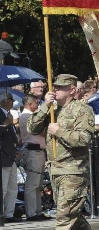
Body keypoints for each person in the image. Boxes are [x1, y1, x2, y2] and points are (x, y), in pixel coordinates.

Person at [27, 74, 94, 230]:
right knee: (74, 219)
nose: (55, 90)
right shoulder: (52, 109)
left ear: (71, 90)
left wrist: (59, 131)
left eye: (60, 87)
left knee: (64, 218)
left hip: (73, 171)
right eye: (54, 87)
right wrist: (44, 106)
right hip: (55, 170)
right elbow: (32, 128)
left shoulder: (82, 110)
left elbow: (84, 139)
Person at [19, 93, 49, 221]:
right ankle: (31, 212)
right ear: (30, 104)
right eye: (36, 103)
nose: (37, 105)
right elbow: (39, 131)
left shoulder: (29, 115)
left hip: (38, 151)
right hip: (33, 150)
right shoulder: (27, 116)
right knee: (32, 184)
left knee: (38, 184)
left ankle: (37, 210)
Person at [0, 95, 19, 223]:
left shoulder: (8, 114)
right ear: (4, 100)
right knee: (3, 188)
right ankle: (1, 214)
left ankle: (9, 214)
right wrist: (6, 122)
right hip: (3, 156)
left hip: (11, 156)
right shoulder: (4, 116)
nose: (13, 101)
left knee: (13, 188)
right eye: (11, 99)